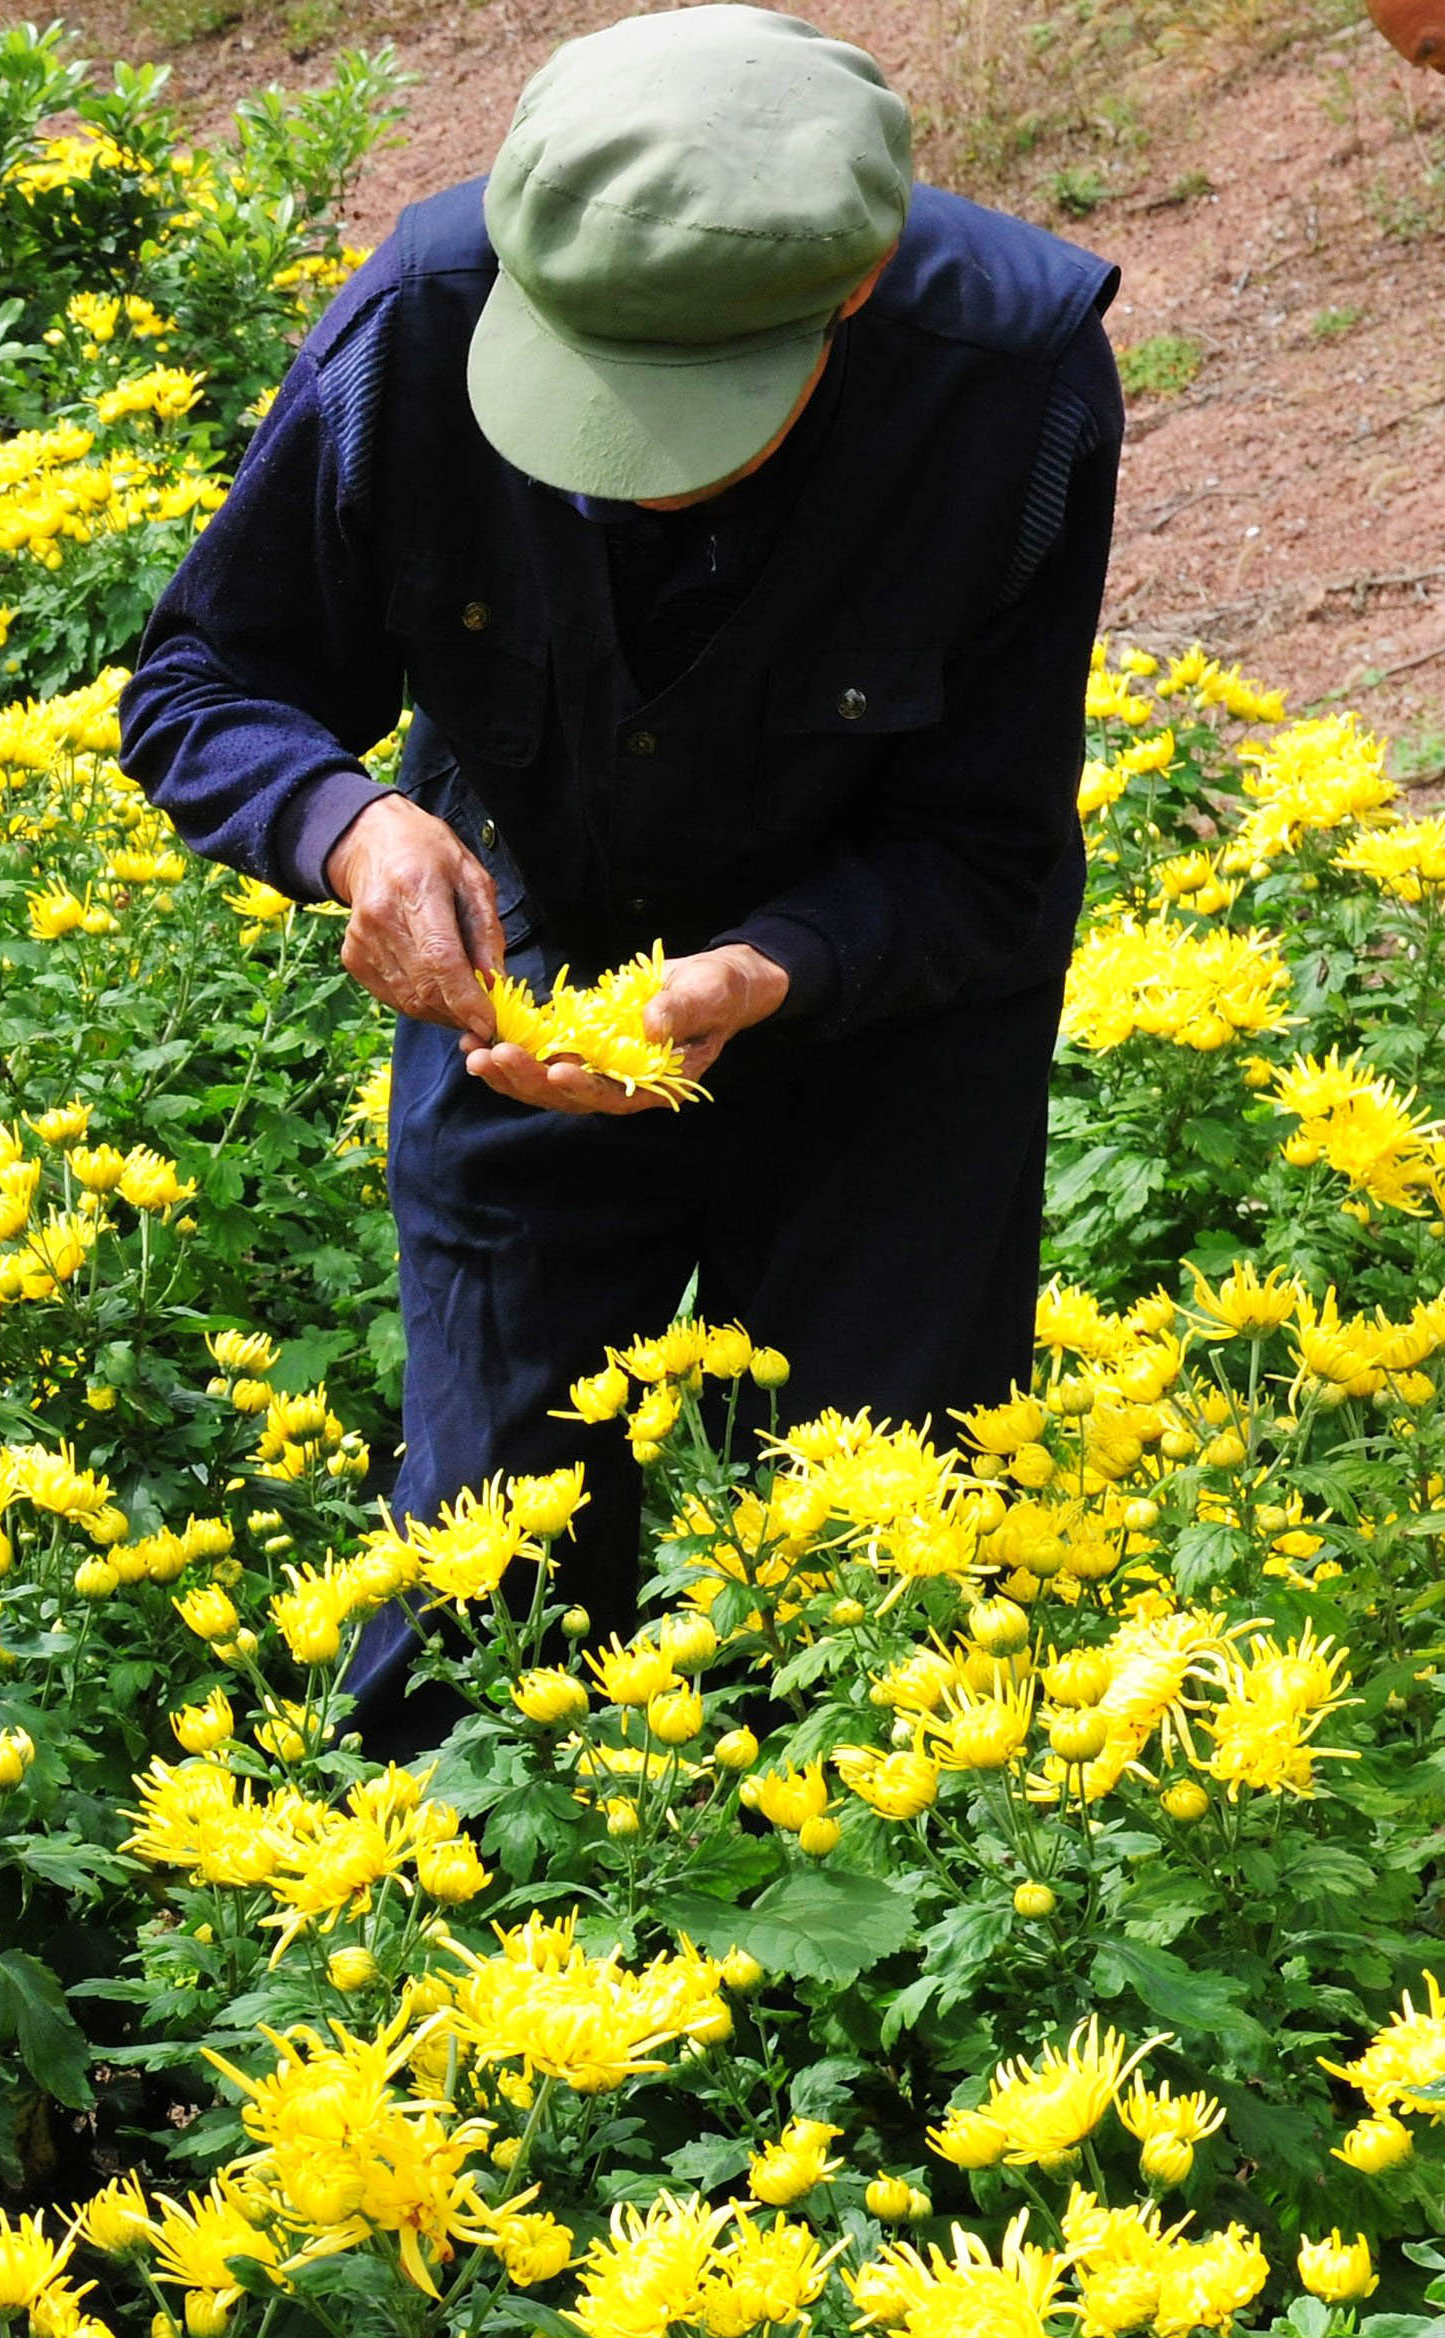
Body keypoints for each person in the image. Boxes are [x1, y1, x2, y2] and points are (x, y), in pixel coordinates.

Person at [115, 6, 1121, 1737]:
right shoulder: (417, 315)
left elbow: (985, 846)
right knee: (477, 1594)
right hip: (529, 989)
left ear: (854, 292)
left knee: (884, 1600)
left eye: (691, 411)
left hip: (891, 1036)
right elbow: (200, 683)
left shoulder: (1007, 381)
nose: (630, 477)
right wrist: (347, 828)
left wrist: (767, 968)